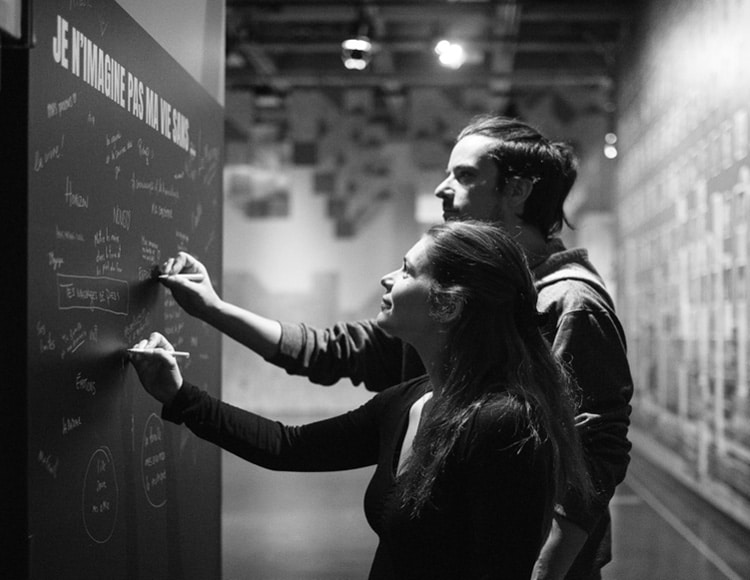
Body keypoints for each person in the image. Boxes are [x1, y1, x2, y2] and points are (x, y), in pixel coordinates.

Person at [159, 114, 633, 580]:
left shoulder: (567, 302)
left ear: (517, 191)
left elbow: (595, 450)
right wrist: (212, 311)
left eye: (465, 175)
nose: (441, 188)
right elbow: (334, 357)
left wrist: (548, 568)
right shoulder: (423, 375)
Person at [130, 221, 594, 579]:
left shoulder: (503, 424)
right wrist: (179, 395)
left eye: (408, 270)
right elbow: (288, 446)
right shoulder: (414, 398)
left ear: (447, 306)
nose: (387, 278)